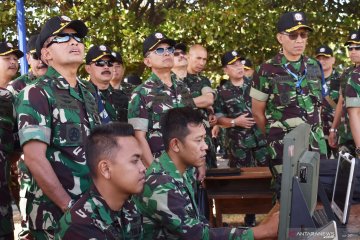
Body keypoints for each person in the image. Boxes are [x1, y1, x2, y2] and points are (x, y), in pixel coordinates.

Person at [134, 107, 279, 239]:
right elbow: (197, 235)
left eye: (204, 138)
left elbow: (199, 224)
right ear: (175, 145)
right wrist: (263, 231)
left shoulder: (184, 171)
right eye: (198, 140)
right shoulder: (160, 184)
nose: (205, 146)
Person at [15, 15, 101, 238]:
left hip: (94, 209)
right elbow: (34, 158)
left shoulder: (89, 93)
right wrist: (69, 207)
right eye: (62, 37)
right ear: (46, 54)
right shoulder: (35, 93)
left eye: (77, 37)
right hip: (55, 217)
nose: (74, 42)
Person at [251, 12, 328, 175]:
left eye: (303, 35)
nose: (299, 40)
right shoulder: (266, 70)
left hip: (315, 145)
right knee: (287, 194)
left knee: (318, 193)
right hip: (284, 147)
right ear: (280, 38)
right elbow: (258, 113)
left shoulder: (313, 65)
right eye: (293, 35)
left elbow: (317, 105)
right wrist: (276, 135)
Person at [56, 122, 144, 239]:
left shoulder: (130, 208)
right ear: (106, 169)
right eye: (134, 161)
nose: (143, 168)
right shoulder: (79, 228)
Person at [215, 50, 268, 227]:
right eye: (234, 64)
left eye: (240, 63)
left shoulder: (255, 84)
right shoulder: (221, 92)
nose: (239, 67)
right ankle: (249, 216)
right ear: (225, 70)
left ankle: (271, 213)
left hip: (261, 141)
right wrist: (234, 121)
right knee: (244, 182)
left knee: (268, 177)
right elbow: (218, 119)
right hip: (239, 145)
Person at [127, 32, 196, 167]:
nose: (166, 53)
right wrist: (155, 172)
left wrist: (200, 163)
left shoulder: (183, 88)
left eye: (169, 49)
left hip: (189, 168)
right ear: (147, 61)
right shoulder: (140, 94)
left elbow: (194, 125)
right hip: (162, 170)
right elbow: (139, 137)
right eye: (159, 50)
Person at [7, 34, 48, 240]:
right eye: (35, 55)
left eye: (42, 55)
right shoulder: (16, 89)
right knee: (30, 226)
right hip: (26, 170)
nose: (40, 60)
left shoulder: (62, 84)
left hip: (63, 171)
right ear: (29, 60)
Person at [0, 41, 23, 240]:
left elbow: (16, 148)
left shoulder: (14, 98)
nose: (13, 62)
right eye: (7, 58)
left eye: (15, 58)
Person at [185, 44, 217, 168]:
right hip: (187, 137)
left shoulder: (203, 80)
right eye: (198, 58)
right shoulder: (177, 78)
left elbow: (209, 99)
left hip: (206, 136)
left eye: (204, 59)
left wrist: (209, 111)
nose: (202, 62)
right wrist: (199, 102)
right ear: (188, 57)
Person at [85, 45, 129, 122]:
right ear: (88, 68)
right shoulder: (81, 96)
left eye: (110, 63)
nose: (106, 67)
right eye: (100, 63)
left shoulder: (123, 99)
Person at [315, 45, 341, 158]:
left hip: (335, 132)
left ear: (333, 60)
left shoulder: (341, 80)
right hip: (315, 134)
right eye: (319, 58)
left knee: (337, 168)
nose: (322, 61)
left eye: (325, 58)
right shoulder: (309, 81)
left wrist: (335, 129)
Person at [343, 29, 360, 158]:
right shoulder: (354, 75)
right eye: (350, 48)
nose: (353, 51)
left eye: (357, 47)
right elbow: (354, 114)